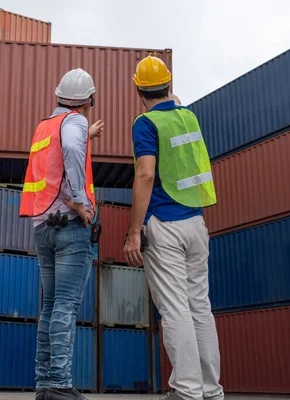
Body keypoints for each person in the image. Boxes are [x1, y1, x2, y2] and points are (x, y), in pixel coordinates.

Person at [123, 56, 223, 400]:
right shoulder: (188, 117)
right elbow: (176, 106)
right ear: (169, 85)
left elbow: (146, 174)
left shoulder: (145, 123)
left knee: (175, 309)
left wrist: (134, 231)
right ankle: (211, 391)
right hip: (196, 223)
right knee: (200, 307)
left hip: (165, 225)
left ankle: (187, 391)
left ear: (138, 89)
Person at [19, 68, 104, 400]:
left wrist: (87, 135)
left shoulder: (44, 127)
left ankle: (43, 385)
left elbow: (58, 155)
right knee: (66, 306)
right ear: (88, 101)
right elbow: (70, 148)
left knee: (50, 306)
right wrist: (81, 203)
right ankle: (60, 384)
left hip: (42, 227)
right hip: (69, 225)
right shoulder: (75, 123)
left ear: (58, 96)